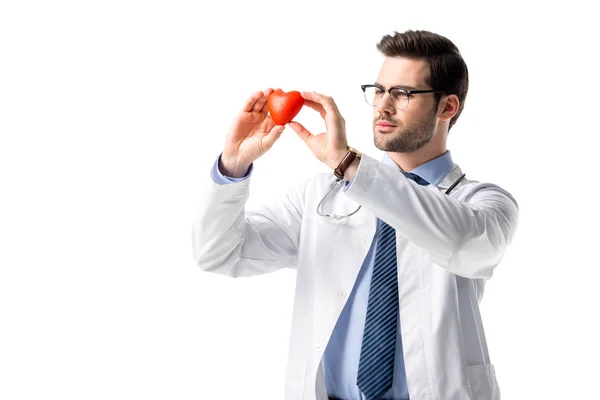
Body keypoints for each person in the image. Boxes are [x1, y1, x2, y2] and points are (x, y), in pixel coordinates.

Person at [192, 29, 519, 400]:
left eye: (403, 94)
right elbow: (218, 253)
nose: (383, 106)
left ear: (447, 107)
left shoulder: (484, 203)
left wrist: (349, 164)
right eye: (379, 90)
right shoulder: (321, 196)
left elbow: (462, 243)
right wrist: (233, 166)